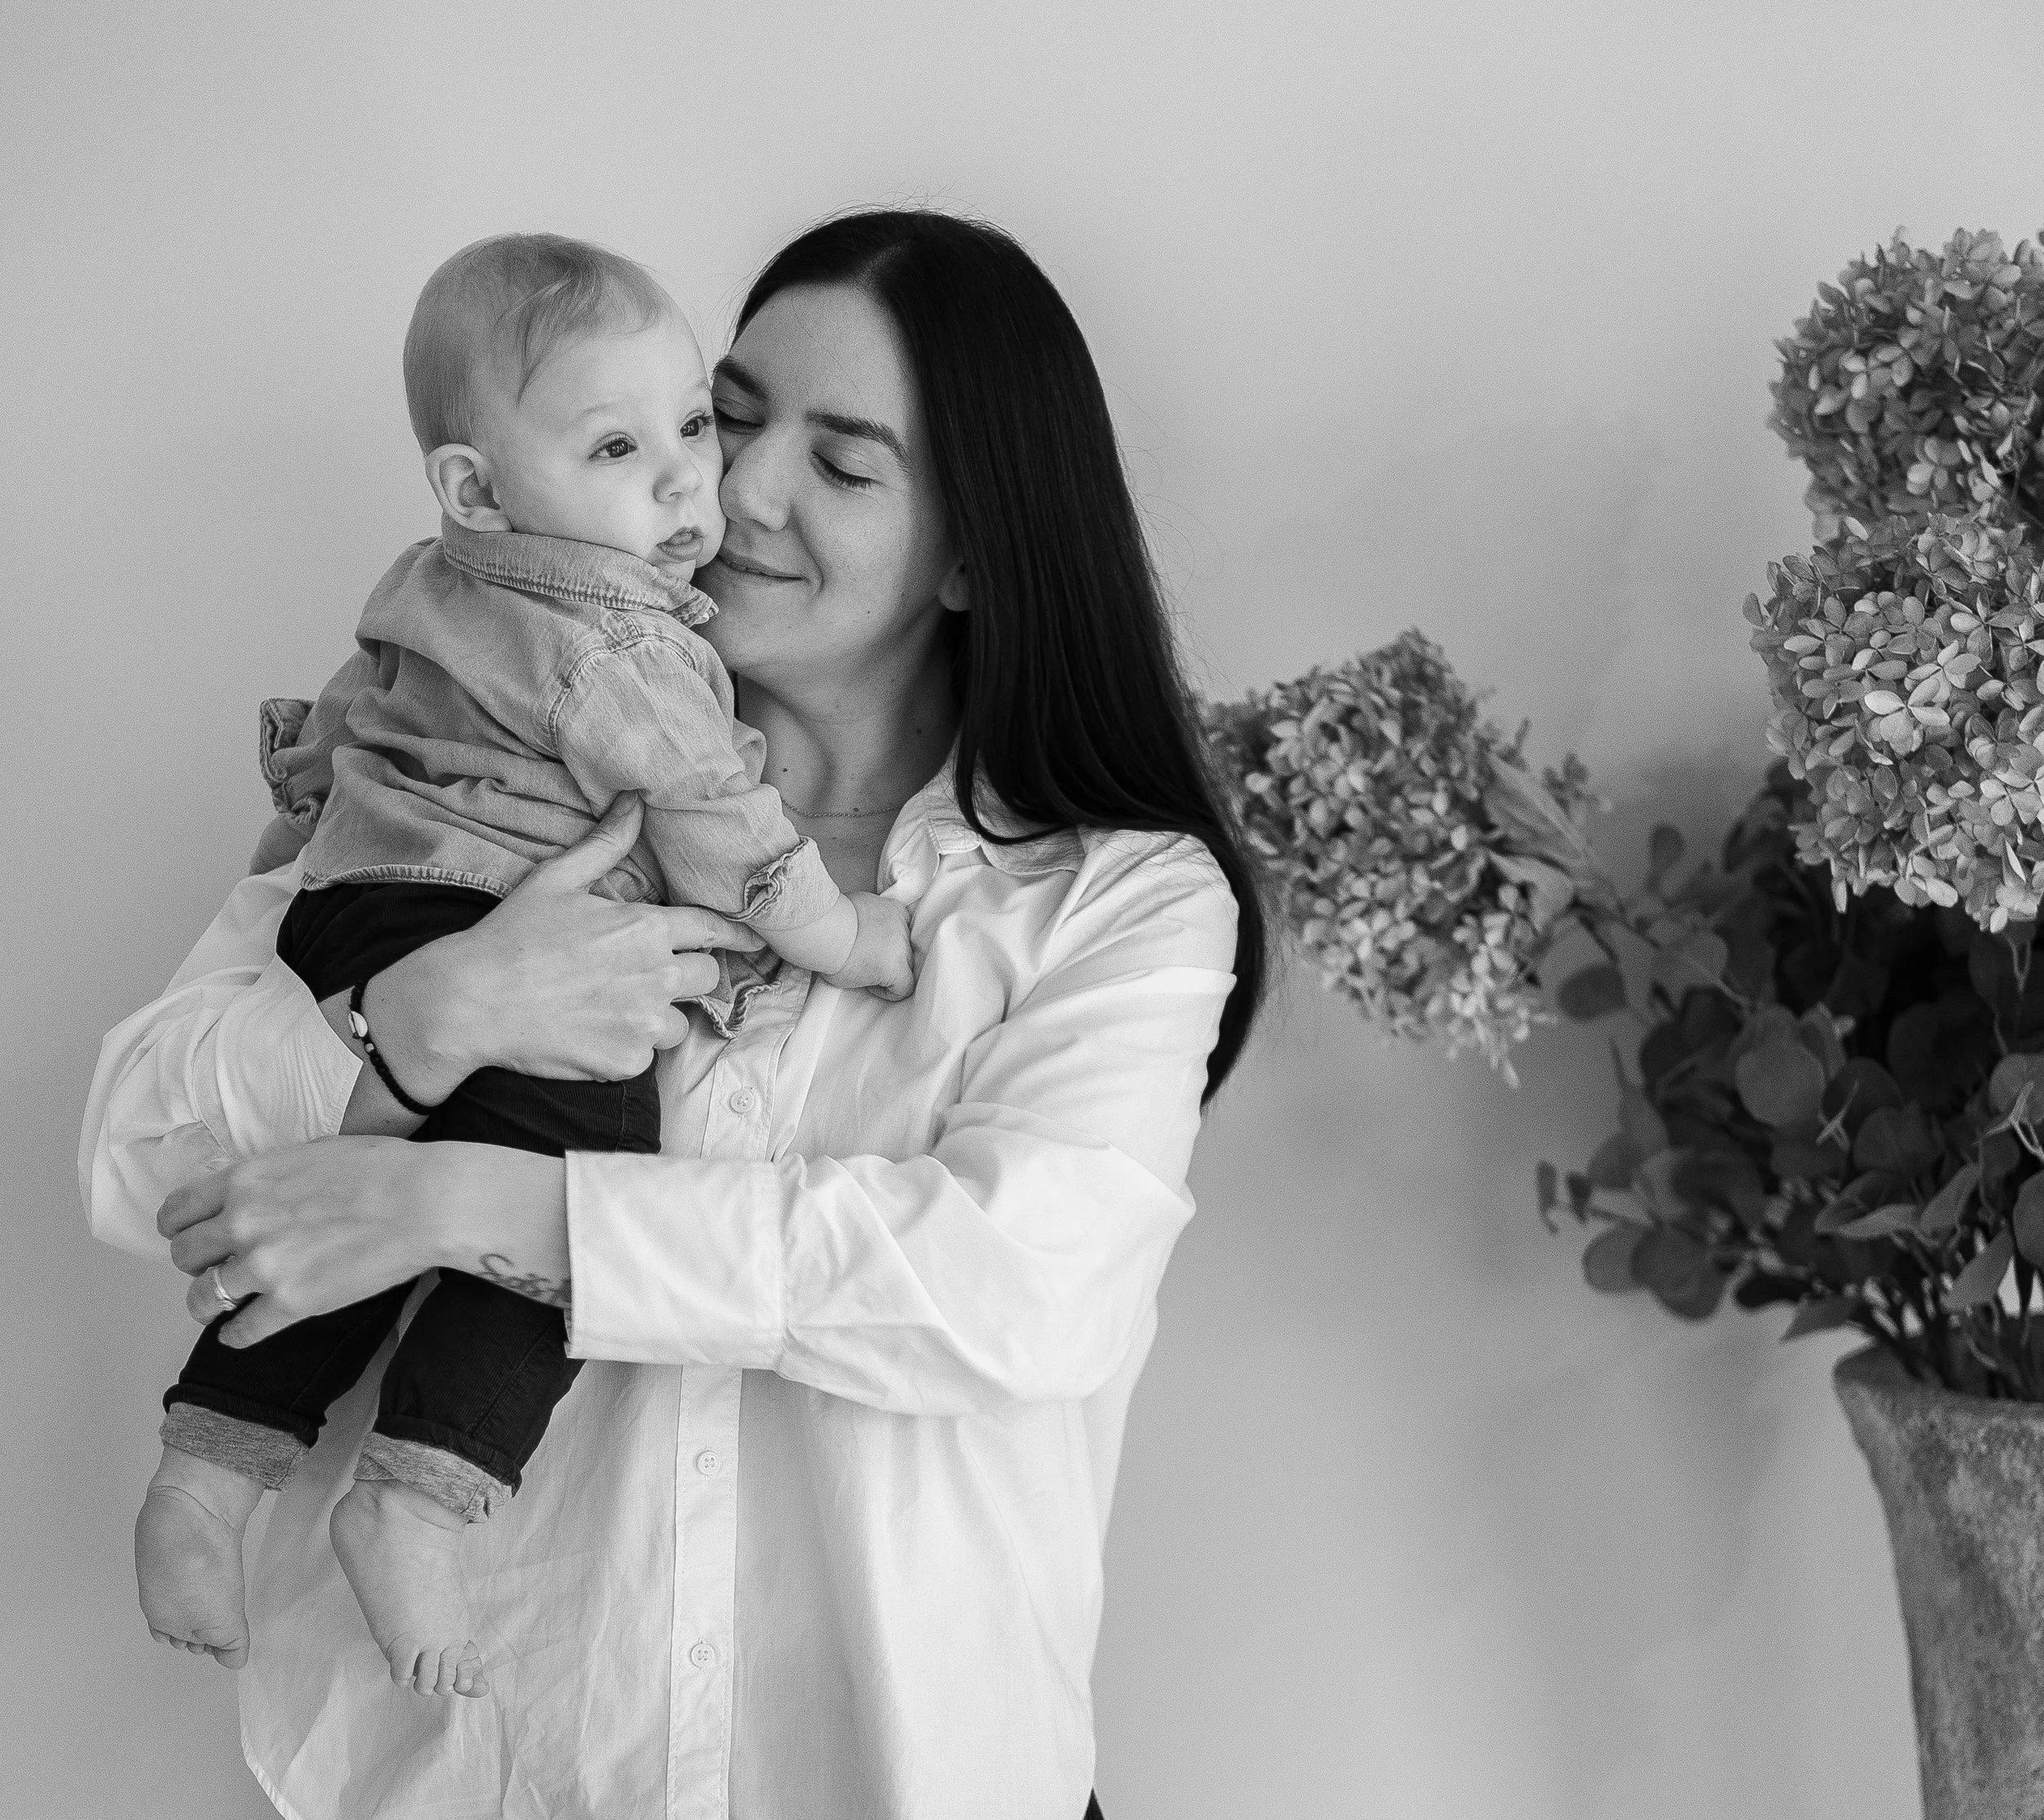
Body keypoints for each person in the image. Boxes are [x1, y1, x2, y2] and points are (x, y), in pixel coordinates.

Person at [82, 208, 1266, 1820]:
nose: (732, 489)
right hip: (482, 1784)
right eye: (725, 416)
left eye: (841, 464)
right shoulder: (457, 766)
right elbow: (133, 1152)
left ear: (975, 553)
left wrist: (483, 1203)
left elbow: (1018, 1287)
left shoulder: (1106, 900)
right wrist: (426, 1019)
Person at [137, 230, 916, 1704]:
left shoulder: (432, 583)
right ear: (477, 488)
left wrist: (328, 923)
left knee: (363, 1191)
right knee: (589, 1187)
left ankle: (207, 1470)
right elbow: (718, 814)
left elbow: (343, 735)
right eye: (623, 446)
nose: (700, 486)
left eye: (691, 424)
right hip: (461, 916)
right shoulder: (620, 643)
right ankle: (421, 1493)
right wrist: (842, 934)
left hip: (351, 911)